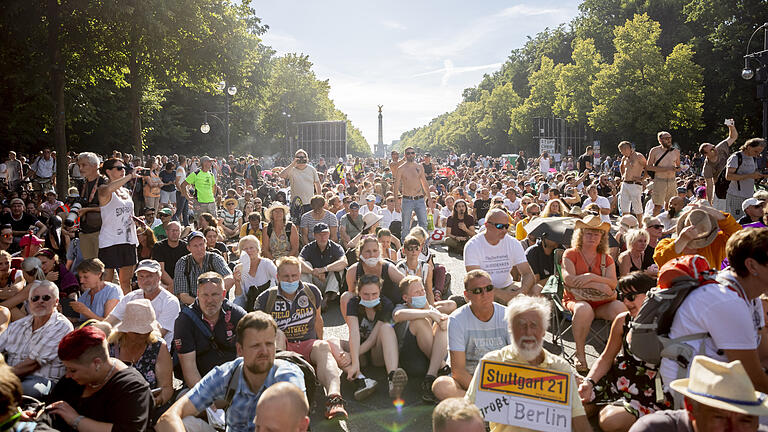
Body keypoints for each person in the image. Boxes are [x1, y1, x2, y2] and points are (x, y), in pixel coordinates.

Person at [659, 228, 768, 395]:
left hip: (717, 385)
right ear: (752, 265)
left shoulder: (750, 295)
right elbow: (754, 378)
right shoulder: (727, 301)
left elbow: (762, 354)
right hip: (692, 397)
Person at [156, 311, 305, 432]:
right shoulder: (227, 373)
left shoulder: (287, 375)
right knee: (186, 423)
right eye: (256, 346)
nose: (264, 352)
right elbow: (168, 417)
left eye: (269, 344)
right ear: (240, 350)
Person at [465, 294, 592, 432]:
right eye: (521, 325)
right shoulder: (492, 363)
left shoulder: (560, 368)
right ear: (510, 330)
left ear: (544, 331)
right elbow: (467, 413)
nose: (528, 332)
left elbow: (580, 423)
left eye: (534, 325)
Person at [254, 256, 347, 419]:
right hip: (283, 347)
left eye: (294, 276)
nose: (291, 280)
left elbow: (318, 320)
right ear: (278, 277)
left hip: (307, 343)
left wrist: (320, 341)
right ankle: (283, 394)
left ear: (299, 275)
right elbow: (258, 332)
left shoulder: (312, 291)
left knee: (323, 347)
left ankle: (334, 398)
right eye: (286, 277)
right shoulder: (265, 298)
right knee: (276, 333)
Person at [579, 272, 671, 431]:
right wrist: (589, 381)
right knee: (577, 408)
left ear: (650, 295)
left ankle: (609, 409)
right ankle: (606, 406)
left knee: (609, 421)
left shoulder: (667, 324)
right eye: (623, 296)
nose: (626, 301)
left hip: (646, 391)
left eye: (632, 296)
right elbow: (606, 358)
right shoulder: (624, 320)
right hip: (616, 380)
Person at [47, 326, 152, 431]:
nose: (67, 375)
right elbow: (50, 409)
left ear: (96, 363)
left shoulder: (132, 389)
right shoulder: (71, 382)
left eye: (73, 370)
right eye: (66, 369)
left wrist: (76, 420)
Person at [629, 356, 768, 432]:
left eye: (745, 420)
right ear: (690, 408)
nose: (732, 429)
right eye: (719, 417)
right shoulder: (655, 429)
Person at [431, 270, 510, 401]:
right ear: (467, 295)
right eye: (478, 291)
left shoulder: (508, 315)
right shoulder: (457, 319)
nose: (485, 294)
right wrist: (486, 393)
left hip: (502, 380)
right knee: (441, 386)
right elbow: (458, 371)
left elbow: (519, 360)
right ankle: (492, 405)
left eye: (489, 288)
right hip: (469, 381)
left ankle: (482, 406)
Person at [561, 214, 626, 373]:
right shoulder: (570, 254)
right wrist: (600, 284)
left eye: (596, 234)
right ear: (581, 235)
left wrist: (590, 278)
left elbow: (613, 283)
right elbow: (569, 280)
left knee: (621, 309)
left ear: (601, 238)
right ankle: (580, 354)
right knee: (584, 309)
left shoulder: (606, 257)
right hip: (576, 299)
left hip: (602, 302)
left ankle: (622, 353)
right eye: (588, 233)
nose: (592, 236)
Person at [327, 274, 405, 401]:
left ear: (380, 291)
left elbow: (372, 340)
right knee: (330, 341)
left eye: (374, 294)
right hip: (360, 352)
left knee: (386, 328)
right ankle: (361, 379)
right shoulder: (353, 303)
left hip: (377, 353)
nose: (370, 298)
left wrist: (351, 356)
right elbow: (354, 332)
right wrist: (356, 362)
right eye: (366, 294)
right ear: (359, 293)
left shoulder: (386, 304)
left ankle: (392, 377)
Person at [174, 272, 247, 389]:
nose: (209, 300)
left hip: (233, 383)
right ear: (198, 294)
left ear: (224, 294)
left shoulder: (236, 315)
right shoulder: (184, 321)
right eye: (205, 295)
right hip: (198, 385)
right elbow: (189, 369)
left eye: (215, 294)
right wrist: (207, 402)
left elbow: (245, 357)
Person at [0, 281, 73, 398]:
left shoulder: (61, 325)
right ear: (29, 302)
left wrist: (3, 377)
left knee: (26, 390)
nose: (40, 301)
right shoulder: (17, 325)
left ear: (56, 302)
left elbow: (33, 364)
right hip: (11, 376)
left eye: (46, 297)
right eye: (35, 298)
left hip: (41, 380)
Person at [108, 299, 174, 415]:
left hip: (149, 410)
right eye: (137, 333)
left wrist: (155, 401)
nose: (142, 336)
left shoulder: (158, 347)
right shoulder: (110, 346)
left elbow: (166, 387)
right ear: (126, 330)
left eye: (146, 331)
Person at [392, 275, 450, 403]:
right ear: (406, 298)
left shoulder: (428, 307)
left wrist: (441, 319)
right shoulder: (401, 307)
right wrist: (428, 313)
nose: (422, 294)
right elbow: (397, 316)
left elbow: (442, 321)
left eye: (422, 290)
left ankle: (430, 377)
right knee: (420, 321)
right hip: (413, 360)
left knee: (442, 321)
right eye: (417, 292)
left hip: (431, 360)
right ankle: (442, 367)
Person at [464, 208, 535, 303]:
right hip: (482, 290)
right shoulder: (472, 245)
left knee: (535, 291)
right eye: (500, 226)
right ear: (487, 225)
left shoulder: (513, 243)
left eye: (507, 226)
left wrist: (522, 292)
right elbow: (477, 280)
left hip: (507, 286)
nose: (504, 230)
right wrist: (504, 296)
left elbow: (527, 273)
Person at [106, 259, 181, 350]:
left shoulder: (170, 302)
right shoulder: (130, 297)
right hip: (127, 349)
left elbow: (157, 335)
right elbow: (110, 321)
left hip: (154, 353)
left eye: (149, 276)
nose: (145, 280)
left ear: (159, 277)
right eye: (141, 276)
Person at [653, 201, 741, 268]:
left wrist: (709, 211)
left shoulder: (715, 244)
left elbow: (738, 235)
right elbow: (662, 262)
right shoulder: (665, 243)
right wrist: (682, 240)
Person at [96, 158, 139, 295]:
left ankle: (126, 312)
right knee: (107, 282)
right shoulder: (103, 189)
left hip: (128, 239)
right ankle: (105, 312)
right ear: (108, 171)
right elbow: (109, 189)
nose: (123, 171)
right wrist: (130, 176)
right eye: (119, 168)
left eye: (124, 168)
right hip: (110, 241)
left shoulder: (125, 191)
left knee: (126, 282)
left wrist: (137, 221)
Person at [340, 236, 405, 320]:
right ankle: (354, 327)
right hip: (367, 307)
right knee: (346, 297)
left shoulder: (388, 268)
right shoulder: (353, 271)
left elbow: (407, 284)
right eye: (367, 251)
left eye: (375, 251)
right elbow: (352, 295)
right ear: (360, 253)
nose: (372, 255)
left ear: (380, 252)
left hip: (390, 308)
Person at [173, 231, 234, 306]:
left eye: (201, 244)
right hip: (193, 305)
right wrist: (204, 303)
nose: (199, 249)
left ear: (206, 244)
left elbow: (229, 278)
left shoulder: (215, 258)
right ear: (188, 248)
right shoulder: (182, 263)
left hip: (217, 303)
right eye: (195, 246)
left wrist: (214, 296)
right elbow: (184, 296)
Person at [298, 223, 347, 306]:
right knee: (305, 264)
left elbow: (344, 262)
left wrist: (324, 269)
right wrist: (313, 272)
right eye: (319, 235)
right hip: (314, 280)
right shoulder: (309, 247)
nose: (323, 237)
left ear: (329, 234)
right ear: (314, 235)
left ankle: (327, 298)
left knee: (340, 268)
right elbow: (298, 262)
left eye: (325, 234)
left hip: (329, 281)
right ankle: (309, 296)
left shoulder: (336, 247)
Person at [724, 138, 768, 220]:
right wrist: (750, 175)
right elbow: (728, 176)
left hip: (749, 195)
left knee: (749, 221)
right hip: (736, 196)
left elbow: (753, 173)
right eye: (756, 151)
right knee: (736, 221)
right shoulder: (736, 157)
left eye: (759, 152)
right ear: (748, 147)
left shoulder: (753, 158)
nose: (757, 154)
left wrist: (761, 175)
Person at [699, 119, 738, 209]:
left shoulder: (720, 147)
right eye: (711, 149)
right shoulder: (707, 167)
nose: (715, 149)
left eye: (713, 146)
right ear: (706, 154)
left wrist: (731, 126)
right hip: (721, 187)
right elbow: (709, 185)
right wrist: (709, 202)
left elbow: (733, 137)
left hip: (733, 180)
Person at [394, 146, 430, 241]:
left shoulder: (419, 167)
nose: (411, 155)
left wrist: (429, 199)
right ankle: (404, 248)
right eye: (408, 153)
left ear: (415, 154)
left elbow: (425, 183)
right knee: (405, 226)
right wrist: (396, 203)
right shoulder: (401, 169)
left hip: (420, 199)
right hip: (407, 200)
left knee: (424, 224)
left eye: (412, 153)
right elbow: (396, 186)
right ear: (405, 155)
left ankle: (424, 247)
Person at [233, 235, 277, 311]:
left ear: (257, 249)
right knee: (235, 305)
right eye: (245, 249)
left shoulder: (267, 263)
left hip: (269, 303)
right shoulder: (239, 268)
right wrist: (237, 282)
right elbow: (240, 297)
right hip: (250, 305)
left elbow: (280, 279)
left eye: (251, 248)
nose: (249, 251)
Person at [278, 149, 321, 218]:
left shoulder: (311, 169)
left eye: (303, 157)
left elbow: (317, 184)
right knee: (297, 224)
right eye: (298, 157)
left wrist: (319, 199)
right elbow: (281, 175)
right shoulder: (291, 169)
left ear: (306, 158)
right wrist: (293, 164)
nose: (301, 159)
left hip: (310, 203)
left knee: (309, 224)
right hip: (296, 204)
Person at [646, 131, 681, 216]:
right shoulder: (654, 150)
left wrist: (677, 169)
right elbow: (648, 167)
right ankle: (654, 226)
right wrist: (665, 169)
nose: (669, 140)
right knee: (658, 206)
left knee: (672, 205)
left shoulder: (676, 151)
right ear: (660, 140)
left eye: (670, 138)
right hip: (659, 181)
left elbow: (679, 167)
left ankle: (668, 224)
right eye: (666, 138)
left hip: (672, 181)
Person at [151, 221, 187, 291]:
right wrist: (173, 285)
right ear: (167, 232)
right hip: (163, 281)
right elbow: (161, 270)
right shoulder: (159, 246)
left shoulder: (186, 247)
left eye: (177, 231)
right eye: (172, 231)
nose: (175, 233)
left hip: (182, 281)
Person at [618, 141, 647, 221]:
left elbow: (648, 167)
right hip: (625, 183)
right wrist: (622, 175)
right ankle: (625, 225)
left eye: (624, 149)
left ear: (630, 148)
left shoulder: (639, 156)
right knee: (624, 206)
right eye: (621, 150)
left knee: (637, 206)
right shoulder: (624, 158)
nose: (623, 151)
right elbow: (621, 167)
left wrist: (642, 178)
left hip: (635, 184)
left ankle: (640, 225)